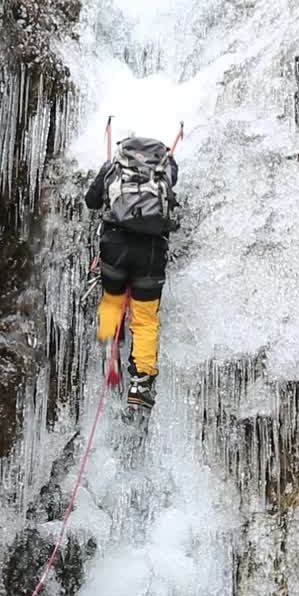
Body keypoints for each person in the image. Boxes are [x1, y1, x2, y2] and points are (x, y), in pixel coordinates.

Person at [84, 136, 180, 410]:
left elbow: (91, 201)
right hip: (151, 250)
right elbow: (171, 193)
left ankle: (108, 346)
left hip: (115, 245)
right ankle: (140, 383)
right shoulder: (164, 167)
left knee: (113, 301)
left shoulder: (114, 166)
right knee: (145, 319)